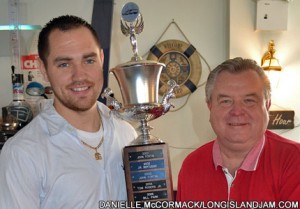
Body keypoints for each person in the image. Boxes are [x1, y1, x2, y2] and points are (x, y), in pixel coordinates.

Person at [0, 15, 137, 209]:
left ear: (101, 59)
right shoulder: (22, 153)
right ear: (44, 69)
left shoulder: (127, 134)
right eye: (64, 64)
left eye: (89, 60)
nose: (79, 75)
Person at [177, 57, 300, 204]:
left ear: (267, 106)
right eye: (226, 101)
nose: (237, 111)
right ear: (210, 106)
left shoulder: (294, 160)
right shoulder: (191, 166)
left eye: (249, 101)